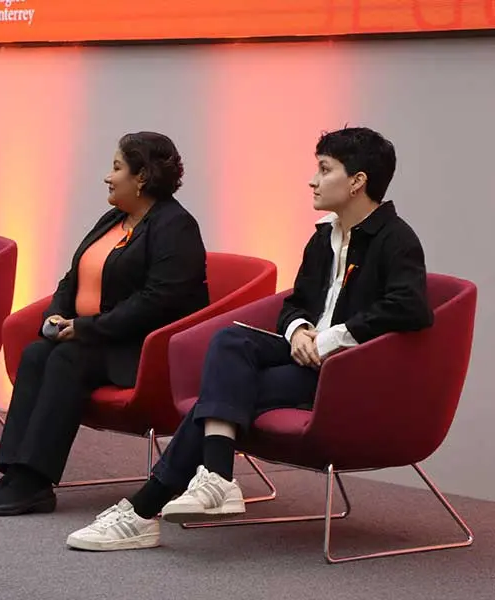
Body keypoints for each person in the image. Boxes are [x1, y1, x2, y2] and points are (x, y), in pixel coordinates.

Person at [66, 126, 435, 552]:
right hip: (308, 358)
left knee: (221, 393)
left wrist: (331, 339)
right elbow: (295, 302)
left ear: (358, 182)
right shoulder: (323, 238)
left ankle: (144, 509)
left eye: (325, 170)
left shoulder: (396, 239)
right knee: (230, 341)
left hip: (347, 372)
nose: (313, 180)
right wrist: (297, 330)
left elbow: (410, 307)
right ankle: (217, 478)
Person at [0, 132, 210, 517]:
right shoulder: (113, 218)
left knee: (67, 358)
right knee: (36, 354)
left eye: (116, 168)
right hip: (94, 338)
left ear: (142, 176)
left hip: (140, 349)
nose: (107, 177)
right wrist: (56, 315)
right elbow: (72, 278)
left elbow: (156, 302)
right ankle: (14, 472)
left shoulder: (175, 227)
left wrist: (86, 327)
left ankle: (35, 481)